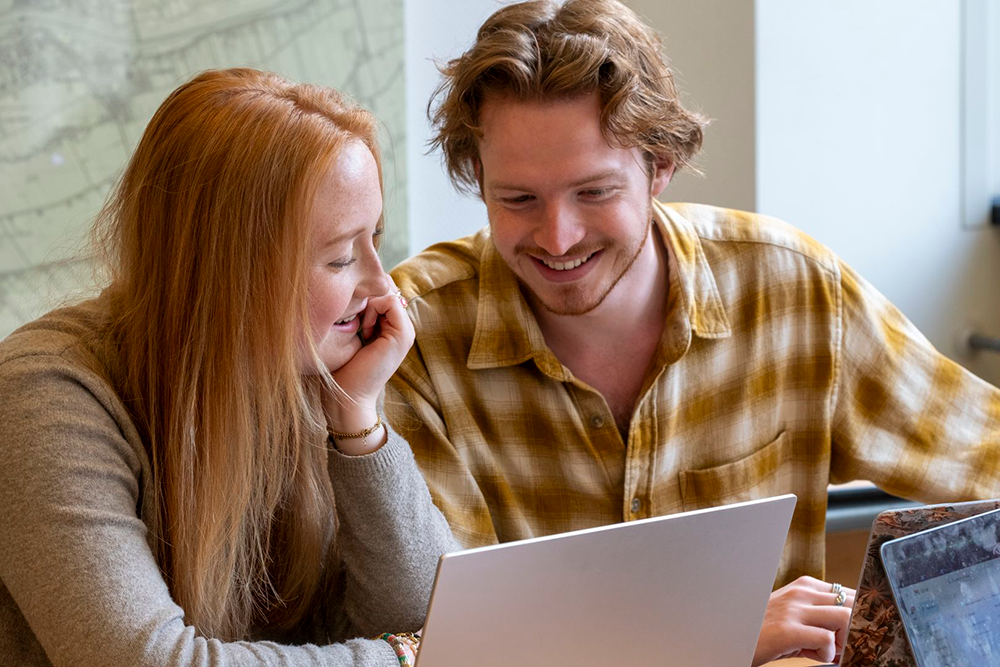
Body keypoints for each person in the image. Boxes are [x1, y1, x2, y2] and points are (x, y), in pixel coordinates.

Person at [384, 0, 1000, 664]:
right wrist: (720, 636)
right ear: (479, 180)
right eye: (518, 199)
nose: (557, 237)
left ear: (660, 167)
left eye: (593, 192)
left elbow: (986, 460)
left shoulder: (793, 289)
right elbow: (457, 644)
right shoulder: (414, 336)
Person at [0, 68, 459, 666]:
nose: (380, 285)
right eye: (341, 257)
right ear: (231, 272)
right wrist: (400, 661)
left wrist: (359, 427)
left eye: (375, 238)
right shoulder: (43, 395)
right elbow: (146, 661)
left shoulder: (313, 369)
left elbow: (438, 620)